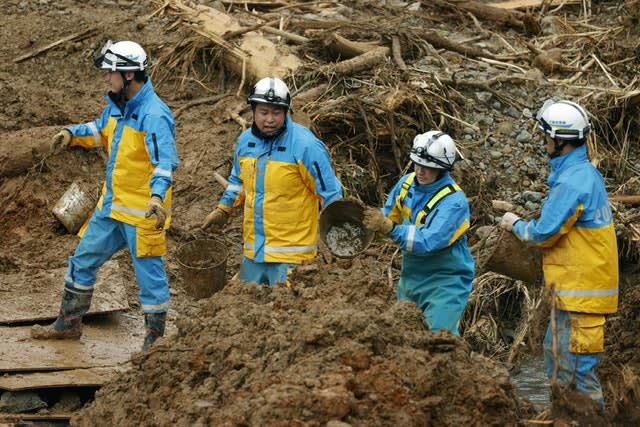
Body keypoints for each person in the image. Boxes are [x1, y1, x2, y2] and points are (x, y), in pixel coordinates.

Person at [31, 40, 180, 351]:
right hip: (112, 207)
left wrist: (156, 197)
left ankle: (155, 343)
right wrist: (71, 134)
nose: (105, 78)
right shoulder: (117, 106)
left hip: (144, 213)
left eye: (109, 72)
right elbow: (100, 130)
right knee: (82, 260)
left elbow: (163, 163)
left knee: (149, 278)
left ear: (127, 75)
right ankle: (68, 324)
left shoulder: (154, 115)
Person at [500, 98, 618, 406]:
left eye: (546, 136)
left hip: (582, 299)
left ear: (560, 139)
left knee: (576, 379)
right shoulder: (582, 173)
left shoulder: (573, 181)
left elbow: (544, 232)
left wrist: (515, 225)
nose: (544, 142)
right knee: (558, 368)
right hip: (574, 297)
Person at [200, 76, 342, 286]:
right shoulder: (245, 142)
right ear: (253, 111)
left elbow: (330, 195)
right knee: (244, 311)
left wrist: (337, 239)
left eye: (276, 113)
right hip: (254, 253)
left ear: (286, 112)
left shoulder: (306, 146)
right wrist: (224, 209)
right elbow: (237, 182)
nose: (269, 119)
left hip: (293, 258)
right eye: (263, 112)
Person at [362, 131, 474, 336]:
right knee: (404, 336)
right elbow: (389, 216)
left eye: (428, 168)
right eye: (417, 164)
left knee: (439, 340)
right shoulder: (406, 184)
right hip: (411, 279)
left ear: (442, 169)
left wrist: (389, 228)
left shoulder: (454, 202)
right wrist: (371, 229)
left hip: (445, 283)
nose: (420, 171)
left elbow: (428, 241)